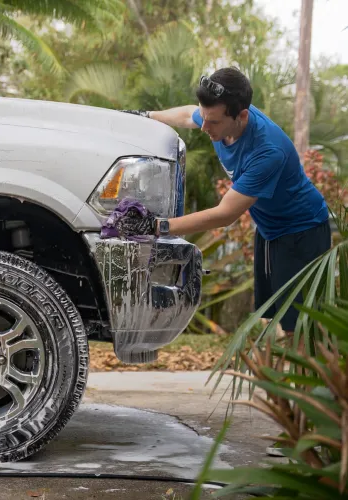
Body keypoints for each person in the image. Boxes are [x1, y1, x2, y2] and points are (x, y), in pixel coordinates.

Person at [122, 67, 332, 455]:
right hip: (270, 232)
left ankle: (310, 437)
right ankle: (296, 422)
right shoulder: (216, 115)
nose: (206, 128)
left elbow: (223, 214)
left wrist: (156, 226)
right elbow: (189, 114)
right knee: (274, 324)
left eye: (215, 121)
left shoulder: (266, 149)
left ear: (242, 115)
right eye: (208, 117)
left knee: (302, 338)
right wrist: (146, 117)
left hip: (303, 234)